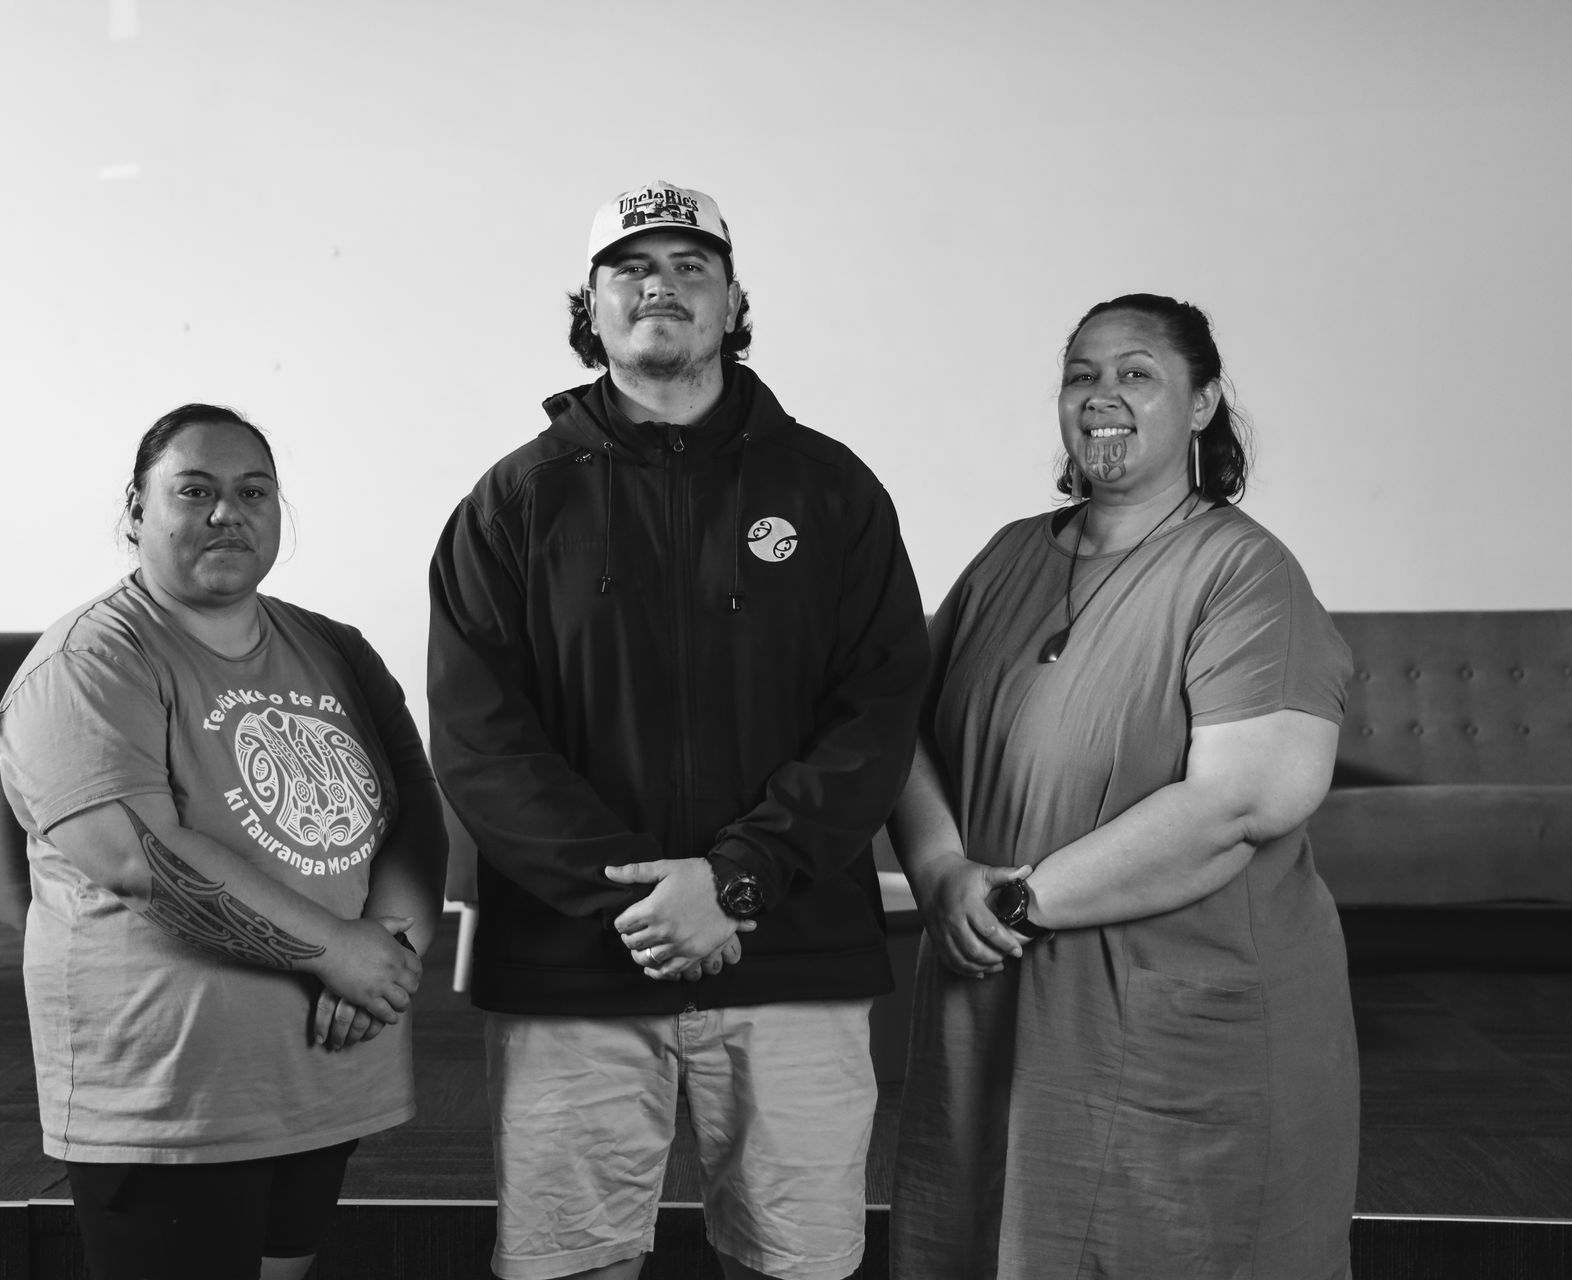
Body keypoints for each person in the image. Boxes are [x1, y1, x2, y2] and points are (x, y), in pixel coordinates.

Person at [428, 180, 928, 1280]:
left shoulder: (834, 491)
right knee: (574, 1267)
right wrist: (645, 904)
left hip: (791, 957)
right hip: (575, 968)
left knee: (797, 1264)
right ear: (590, 307)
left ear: (735, 302)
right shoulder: (512, 503)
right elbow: (480, 742)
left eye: (691, 266)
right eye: (632, 268)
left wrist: (737, 881)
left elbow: (878, 712)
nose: (661, 285)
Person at [888, 294, 1358, 1279]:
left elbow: (1243, 802)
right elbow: (896, 726)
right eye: (1081, 375)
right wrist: (938, 869)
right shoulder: (1010, 556)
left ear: (1202, 403)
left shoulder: (1244, 573)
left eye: (1136, 373)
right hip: (990, 1000)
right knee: (978, 1240)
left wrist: (1015, 903)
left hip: (1168, 1022)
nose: (1102, 395)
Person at [0, 404, 448, 1280]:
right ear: (136, 510)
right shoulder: (88, 662)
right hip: (174, 1097)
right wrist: (339, 952)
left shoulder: (336, 647)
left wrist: (387, 952)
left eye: (252, 492)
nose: (227, 513)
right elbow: (140, 861)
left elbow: (415, 810)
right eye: (195, 491)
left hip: (321, 1071)